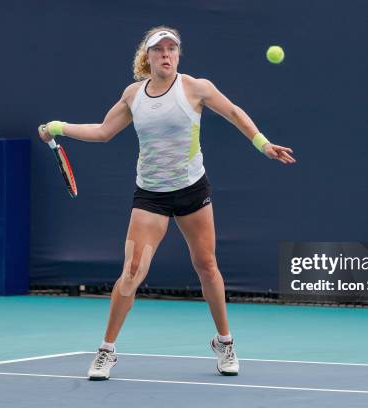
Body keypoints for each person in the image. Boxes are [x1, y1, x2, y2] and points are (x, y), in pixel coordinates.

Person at [38, 26, 296, 381]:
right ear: (147, 57)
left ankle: (225, 342)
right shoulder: (133, 95)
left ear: (178, 54)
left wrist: (263, 144)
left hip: (192, 191)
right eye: (159, 49)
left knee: (207, 266)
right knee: (131, 272)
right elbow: (102, 131)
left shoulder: (196, 88)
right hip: (151, 197)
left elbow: (234, 112)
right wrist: (57, 127)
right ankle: (106, 351)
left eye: (172, 49)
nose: (166, 54)